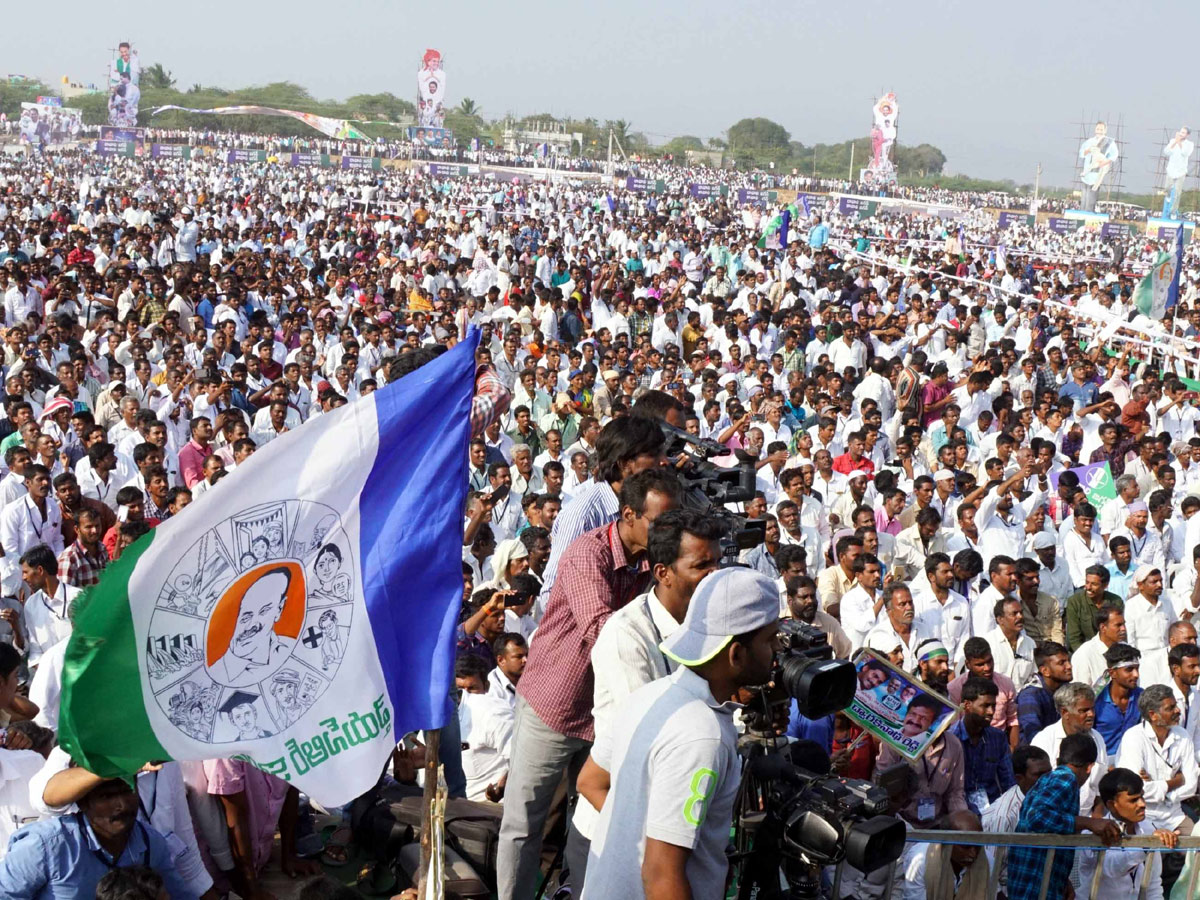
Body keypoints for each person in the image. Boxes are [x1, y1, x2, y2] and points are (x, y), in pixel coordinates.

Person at [498, 468, 680, 900]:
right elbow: (601, 629)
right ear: (630, 514)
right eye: (659, 523)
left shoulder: (649, 563)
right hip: (556, 705)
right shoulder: (588, 553)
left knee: (596, 820)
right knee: (524, 822)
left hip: (606, 713)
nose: (665, 534)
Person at [576, 567, 781, 900]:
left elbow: (590, 781)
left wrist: (645, 835)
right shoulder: (703, 737)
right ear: (736, 654)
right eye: (770, 640)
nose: (776, 651)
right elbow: (661, 876)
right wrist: (656, 847)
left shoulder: (651, 696)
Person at [571, 508, 722, 883]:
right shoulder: (627, 636)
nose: (715, 576)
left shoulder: (708, 627)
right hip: (614, 831)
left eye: (718, 562)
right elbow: (641, 751)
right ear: (663, 573)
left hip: (670, 827)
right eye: (702, 565)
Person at [0, 776, 198, 899]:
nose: (121, 805)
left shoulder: (151, 842)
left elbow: (179, 894)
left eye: (127, 791)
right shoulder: (44, 846)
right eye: (107, 796)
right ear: (83, 803)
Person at [1007, 733, 1123, 900]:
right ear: (1089, 767)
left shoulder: (1050, 779)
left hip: (1038, 876)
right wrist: (1089, 823)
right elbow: (1038, 817)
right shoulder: (1066, 779)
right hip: (1035, 881)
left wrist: (1062, 880)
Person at [1078, 768, 1178, 900]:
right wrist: (1145, 846)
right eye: (1133, 800)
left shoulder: (1148, 828)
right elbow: (1111, 869)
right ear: (1112, 805)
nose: (1142, 804)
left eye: (1142, 796)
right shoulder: (1092, 835)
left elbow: (1153, 885)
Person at [981, 745, 1052, 897]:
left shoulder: (1050, 801)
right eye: (1039, 775)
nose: (1047, 781)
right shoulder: (1004, 816)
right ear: (1020, 778)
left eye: (1049, 773)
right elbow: (990, 871)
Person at [1031, 682, 1110, 815]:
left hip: (1088, 822)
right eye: (1083, 711)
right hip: (1053, 819)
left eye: (1092, 709)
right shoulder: (1044, 740)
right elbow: (1035, 790)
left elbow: (1098, 792)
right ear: (1065, 712)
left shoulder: (1097, 738)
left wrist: (1096, 825)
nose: (1091, 714)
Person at [951, 676, 1015, 814]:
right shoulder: (951, 739)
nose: (991, 712)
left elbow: (1008, 782)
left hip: (994, 808)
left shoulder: (998, 738)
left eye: (993, 706)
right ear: (967, 706)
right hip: (960, 810)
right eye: (985, 706)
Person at [900, 810, 990, 900]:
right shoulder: (919, 860)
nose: (973, 853)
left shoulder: (987, 861)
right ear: (945, 842)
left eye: (977, 846)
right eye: (966, 847)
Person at [1017, 640, 1073, 744]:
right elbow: (1033, 737)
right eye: (1062, 663)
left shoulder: (1067, 689)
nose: (1069, 666)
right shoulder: (1030, 696)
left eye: (1068, 661)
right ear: (1045, 671)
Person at [1072, 604, 1127, 687]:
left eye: (1123, 624)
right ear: (1103, 627)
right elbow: (1080, 693)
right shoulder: (1084, 654)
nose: (1123, 629)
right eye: (1118, 625)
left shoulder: (1126, 649)